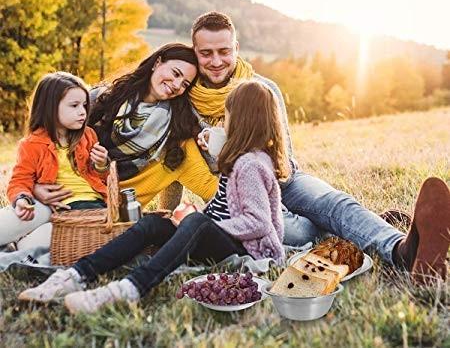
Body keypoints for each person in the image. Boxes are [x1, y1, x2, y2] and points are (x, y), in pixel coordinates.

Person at [188, 11, 450, 284]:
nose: (216, 61)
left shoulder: (264, 89)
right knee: (298, 233)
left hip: (284, 179)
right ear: (194, 52)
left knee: (334, 203)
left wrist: (230, 149)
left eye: (224, 51)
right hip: (241, 197)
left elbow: (282, 160)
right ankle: (357, 229)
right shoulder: (187, 103)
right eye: (206, 53)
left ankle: (402, 251)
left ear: (236, 49)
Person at [18, 80, 287, 313]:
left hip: (245, 249)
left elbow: (258, 223)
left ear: (241, 119)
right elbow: (223, 207)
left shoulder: (251, 164)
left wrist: (201, 225)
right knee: (152, 224)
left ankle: (129, 288)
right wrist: (191, 221)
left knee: (195, 224)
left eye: (226, 115)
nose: (223, 122)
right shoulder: (240, 159)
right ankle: (75, 275)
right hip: (222, 237)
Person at [32, 43, 219, 209]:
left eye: (185, 84)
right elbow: (43, 140)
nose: (177, 85)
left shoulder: (177, 133)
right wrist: (34, 185)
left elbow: (212, 185)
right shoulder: (102, 97)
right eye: (175, 73)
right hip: (62, 191)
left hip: (106, 214)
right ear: (157, 63)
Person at [0, 72, 109, 251]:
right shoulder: (31, 144)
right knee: (8, 224)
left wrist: (101, 164)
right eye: (74, 106)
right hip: (46, 206)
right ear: (50, 107)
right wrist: (21, 199)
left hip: (87, 207)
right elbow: (20, 180)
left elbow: (102, 178)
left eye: (84, 105)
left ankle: (19, 243)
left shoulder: (88, 135)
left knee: (31, 249)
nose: (82, 112)